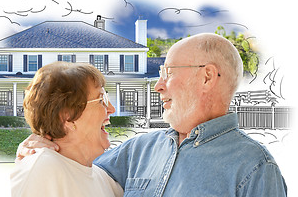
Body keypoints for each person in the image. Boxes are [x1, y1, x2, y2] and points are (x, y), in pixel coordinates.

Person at [16, 33, 287, 196]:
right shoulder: (139, 150)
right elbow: (76, 168)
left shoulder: (256, 169)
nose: (158, 86)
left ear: (206, 77)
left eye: (168, 72)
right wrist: (41, 144)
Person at [10, 61, 123, 197]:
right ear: (67, 116)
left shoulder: (104, 178)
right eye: (101, 99)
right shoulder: (44, 169)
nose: (112, 109)